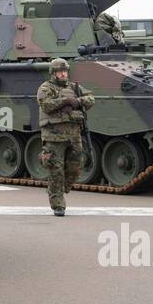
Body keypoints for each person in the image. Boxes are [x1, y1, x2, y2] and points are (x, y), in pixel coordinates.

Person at [36, 58, 95, 216]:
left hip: (73, 135)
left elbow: (91, 99)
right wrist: (64, 101)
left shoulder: (74, 87)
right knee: (56, 172)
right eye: (60, 72)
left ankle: (60, 189)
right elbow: (46, 105)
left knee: (75, 168)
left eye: (65, 71)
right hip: (54, 137)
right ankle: (58, 204)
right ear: (53, 73)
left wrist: (78, 101)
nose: (63, 74)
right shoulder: (46, 88)